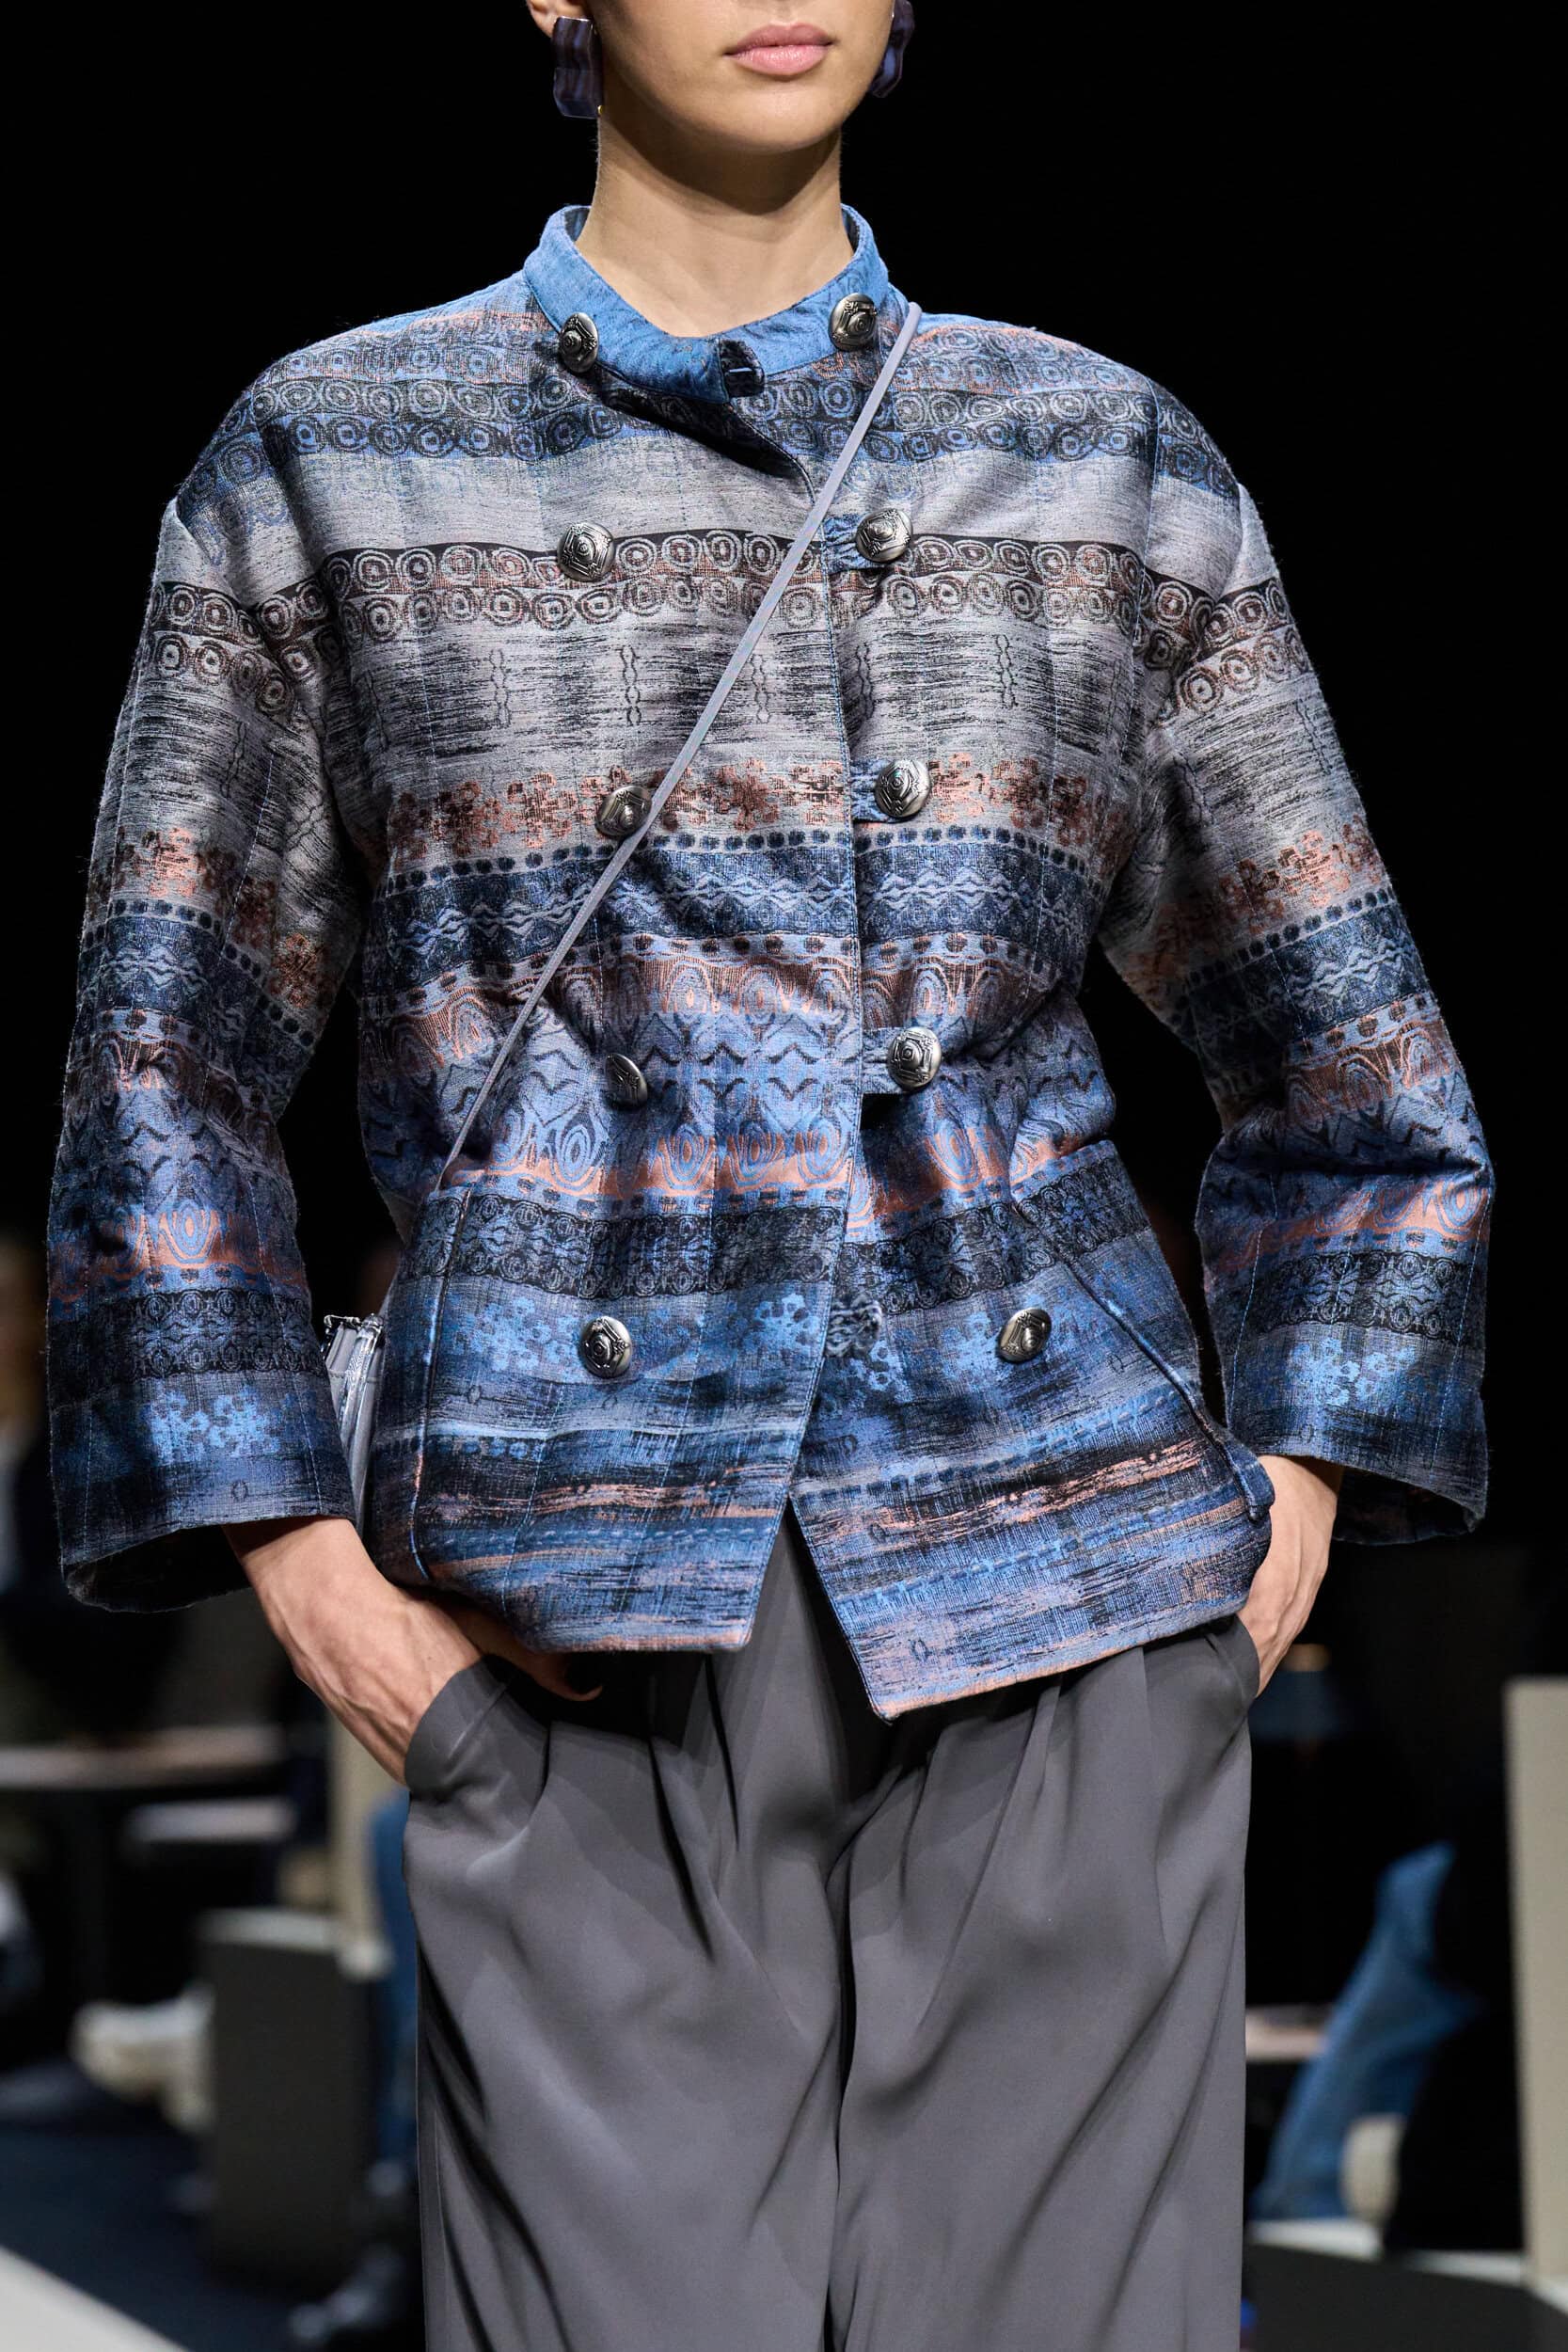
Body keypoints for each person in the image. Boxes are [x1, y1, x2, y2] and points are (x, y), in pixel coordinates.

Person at [44, 5, 1492, 2346]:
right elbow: (160, 1067)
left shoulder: (1098, 457)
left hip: (1066, 1601)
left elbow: (1356, 1064)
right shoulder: (338, 453)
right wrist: (316, 1590)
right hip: (565, 1643)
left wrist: (1276, 1531)